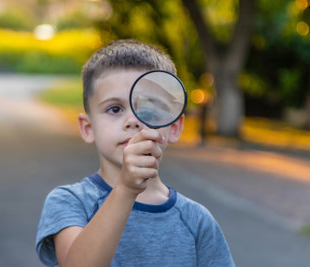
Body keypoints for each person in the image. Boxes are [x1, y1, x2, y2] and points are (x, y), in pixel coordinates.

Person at [35, 39, 235, 267]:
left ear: (174, 128)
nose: (133, 121)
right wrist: (126, 189)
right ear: (88, 128)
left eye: (148, 109)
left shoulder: (197, 221)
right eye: (114, 109)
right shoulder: (70, 202)